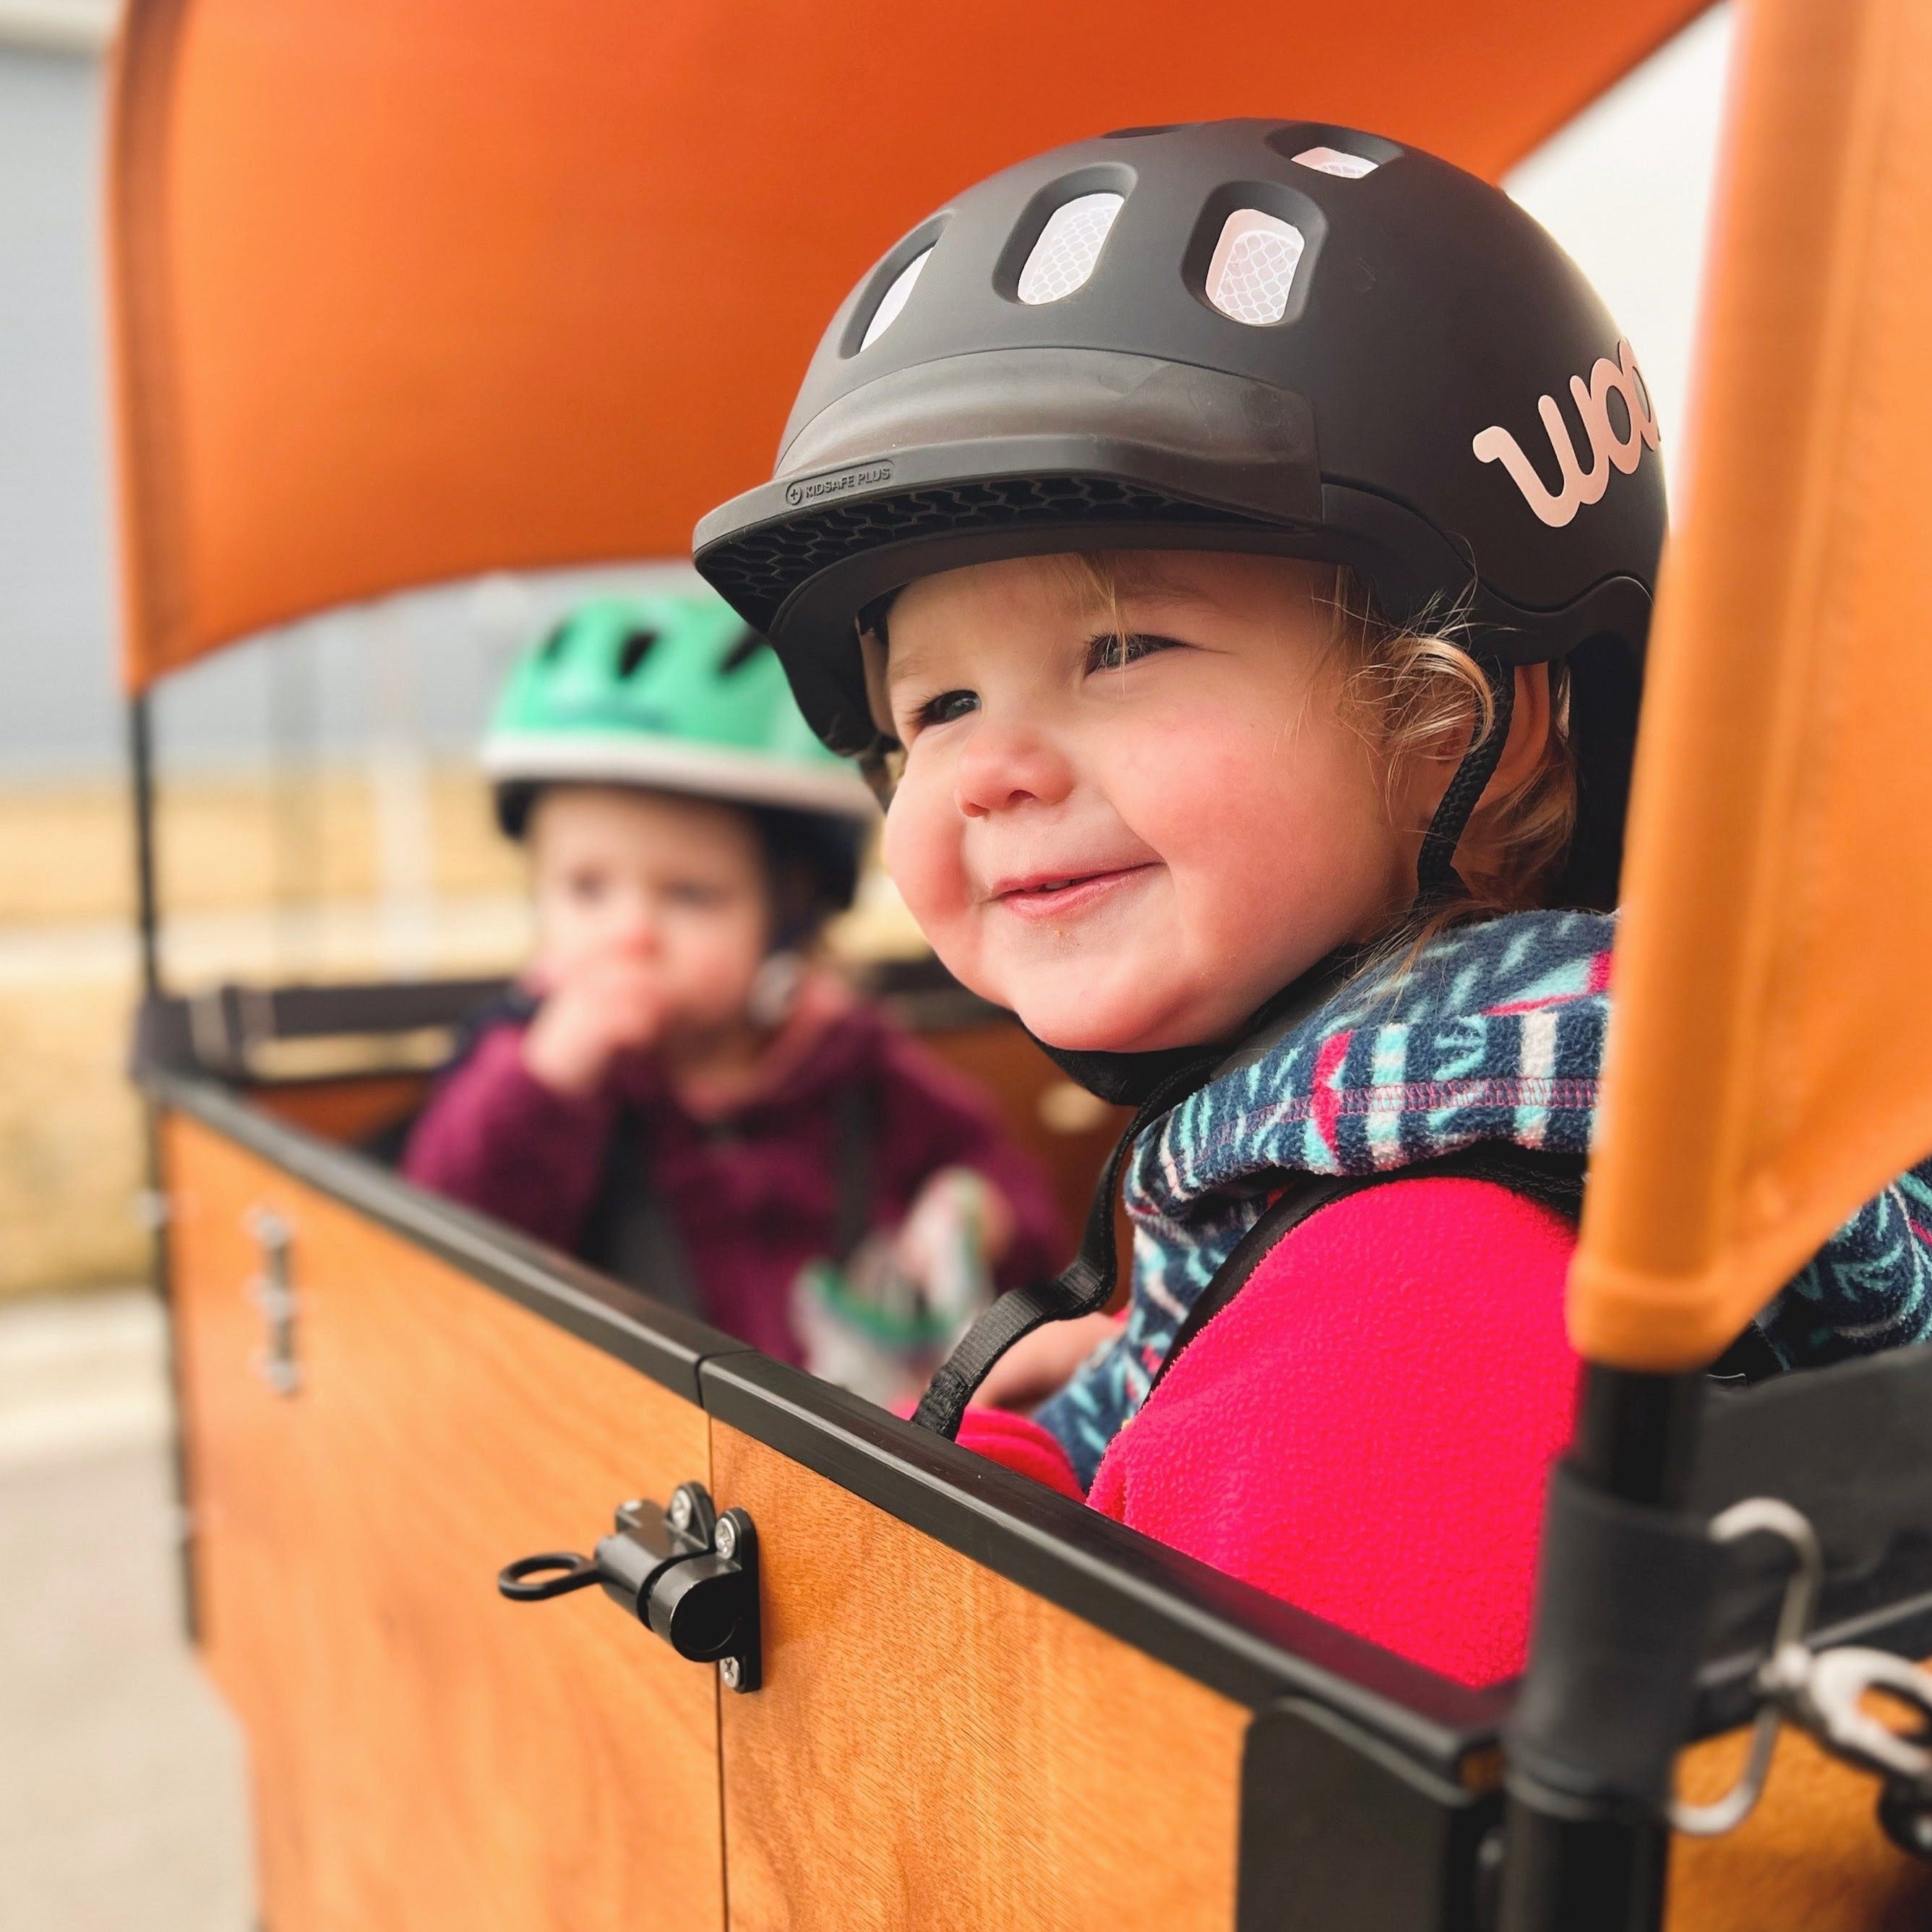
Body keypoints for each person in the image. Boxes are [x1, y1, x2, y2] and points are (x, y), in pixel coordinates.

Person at [692, 121, 1932, 1685]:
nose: (988, 769)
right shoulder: (1357, 1169)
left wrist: (987, 1504)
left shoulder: (1403, 1312)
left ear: (1468, 724)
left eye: (1121, 649)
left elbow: (1138, 1828)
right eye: (934, 705)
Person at [402, 591, 1063, 1389]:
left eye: (689, 896)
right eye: (585, 889)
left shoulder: (850, 1065)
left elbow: (1013, 1196)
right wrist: (550, 1078)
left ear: (789, 916)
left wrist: (974, 1212)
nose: (630, 933)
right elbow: (447, 1230)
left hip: (846, 1450)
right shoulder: (533, 1068)